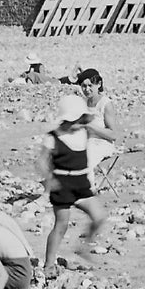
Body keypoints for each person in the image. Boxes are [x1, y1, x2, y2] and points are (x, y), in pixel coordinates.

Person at [37, 96, 109, 276]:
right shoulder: (53, 137)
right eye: (76, 120)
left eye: (81, 119)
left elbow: (111, 135)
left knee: (99, 217)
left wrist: (91, 125)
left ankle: (84, 246)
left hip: (81, 183)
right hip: (62, 184)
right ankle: (49, 264)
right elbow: (41, 161)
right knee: (61, 225)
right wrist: (48, 178)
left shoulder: (84, 132)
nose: (79, 124)